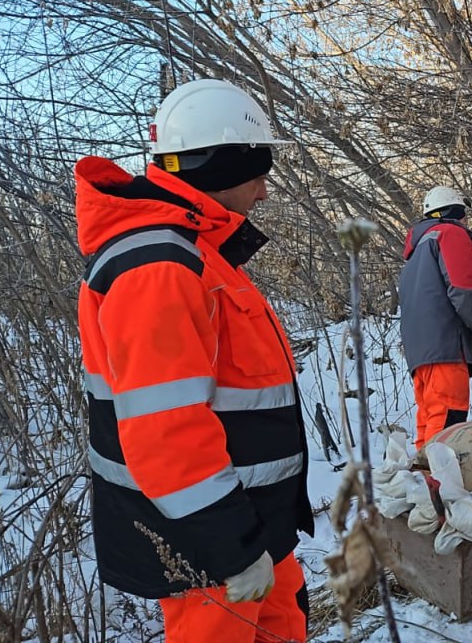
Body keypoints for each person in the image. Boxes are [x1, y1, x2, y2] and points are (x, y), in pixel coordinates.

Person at [76, 79, 313, 641]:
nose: (264, 193)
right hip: (211, 548)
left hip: (254, 527)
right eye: (259, 175)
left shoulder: (199, 254)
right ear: (219, 168)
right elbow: (165, 431)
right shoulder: (158, 267)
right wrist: (229, 547)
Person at [398, 185, 472, 448]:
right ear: (455, 212)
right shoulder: (450, 234)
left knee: (429, 423)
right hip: (445, 348)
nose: (467, 221)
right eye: (465, 214)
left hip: (421, 355)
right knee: (447, 421)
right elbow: (464, 288)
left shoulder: (415, 256)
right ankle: (438, 483)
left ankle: (422, 482)